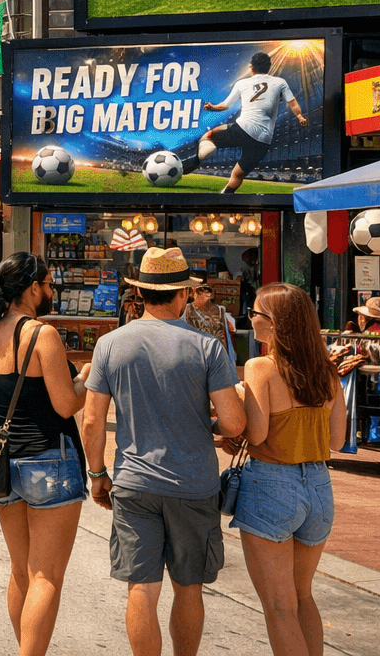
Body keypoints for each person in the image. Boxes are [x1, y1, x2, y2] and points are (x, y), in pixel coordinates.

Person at [82, 247, 246, 656]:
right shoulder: (207, 346)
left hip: (134, 483)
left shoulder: (110, 345)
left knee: (142, 587)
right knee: (189, 588)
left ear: (140, 293)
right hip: (194, 485)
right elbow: (235, 424)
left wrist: (97, 474)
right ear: (183, 294)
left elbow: (91, 421)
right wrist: (208, 425)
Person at [0, 253, 90, 656]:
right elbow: (65, 405)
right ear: (31, 288)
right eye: (46, 283)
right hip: (49, 459)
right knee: (46, 577)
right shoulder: (41, 334)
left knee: (21, 572)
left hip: (1, 464)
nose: (50, 290)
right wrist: (88, 379)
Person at [232, 283, 347, 656]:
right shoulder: (328, 373)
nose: (250, 319)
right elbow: (338, 441)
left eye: (256, 314)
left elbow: (258, 432)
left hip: (271, 483)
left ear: (276, 324)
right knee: (302, 597)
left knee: (279, 607)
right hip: (318, 486)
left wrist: (238, 403)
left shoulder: (261, 368)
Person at [182, 51, 309, 193]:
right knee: (238, 174)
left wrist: (212, 107)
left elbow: (225, 105)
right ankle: (225, 196)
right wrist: (300, 116)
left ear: (252, 67)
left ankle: (193, 163)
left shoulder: (242, 83)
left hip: (243, 128)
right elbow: (292, 102)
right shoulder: (280, 82)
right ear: (269, 67)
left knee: (209, 135)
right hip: (263, 140)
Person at [186, 284, 237, 367]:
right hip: (197, 357)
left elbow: (227, 335)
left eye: (197, 295)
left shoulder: (220, 311)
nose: (194, 299)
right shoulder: (187, 310)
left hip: (218, 355)